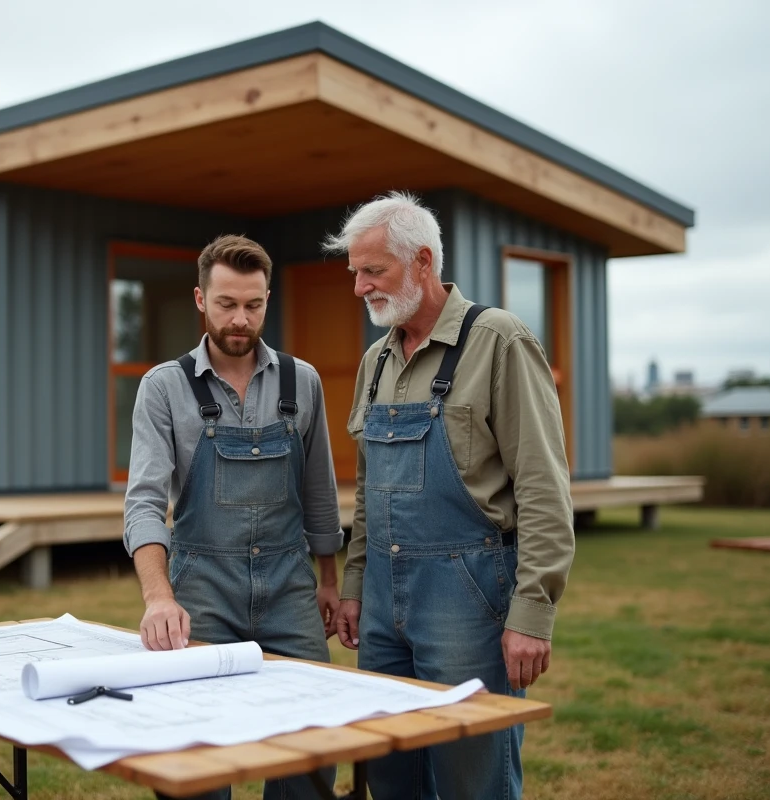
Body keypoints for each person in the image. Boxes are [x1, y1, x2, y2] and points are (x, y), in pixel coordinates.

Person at [327, 192, 575, 800]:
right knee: (389, 775)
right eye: (354, 272)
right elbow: (368, 492)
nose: (359, 287)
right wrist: (357, 587)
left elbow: (544, 488)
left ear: (421, 262)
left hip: (468, 602)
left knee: (474, 778)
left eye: (373, 270)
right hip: (382, 606)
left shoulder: (499, 341)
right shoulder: (375, 362)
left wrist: (533, 615)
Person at [123, 234, 343, 800]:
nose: (240, 319)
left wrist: (329, 581)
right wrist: (158, 597)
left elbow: (320, 493)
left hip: (291, 593)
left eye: (254, 304)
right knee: (193, 760)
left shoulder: (304, 381)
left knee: (312, 749)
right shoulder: (164, 387)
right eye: (227, 304)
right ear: (200, 299)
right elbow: (145, 502)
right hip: (202, 595)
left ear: (268, 299)